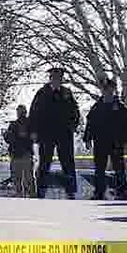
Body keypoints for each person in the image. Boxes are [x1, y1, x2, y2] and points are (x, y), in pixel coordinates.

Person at [28, 67, 81, 199]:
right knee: (45, 162)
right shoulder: (42, 93)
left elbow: (75, 112)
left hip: (64, 133)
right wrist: (34, 131)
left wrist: (73, 126)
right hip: (46, 134)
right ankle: (41, 190)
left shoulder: (67, 93)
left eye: (59, 78)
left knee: (67, 162)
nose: (57, 81)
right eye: (54, 78)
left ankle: (71, 191)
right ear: (50, 79)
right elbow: (34, 113)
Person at [83, 78, 127, 199]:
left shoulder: (120, 107)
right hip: (100, 142)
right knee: (99, 168)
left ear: (113, 90)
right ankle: (99, 192)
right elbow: (90, 123)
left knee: (119, 167)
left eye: (109, 89)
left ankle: (122, 191)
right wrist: (87, 138)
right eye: (104, 89)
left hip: (116, 142)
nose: (107, 92)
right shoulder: (96, 107)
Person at [3, 104, 35, 197]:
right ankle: (26, 193)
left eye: (20, 111)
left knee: (23, 177)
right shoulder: (18, 125)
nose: (19, 113)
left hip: (21, 154)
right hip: (20, 154)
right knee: (22, 177)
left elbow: (9, 139)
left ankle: (23, 193)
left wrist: (8, 136)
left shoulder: (21, 125)